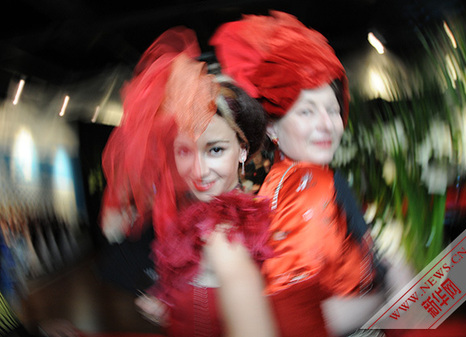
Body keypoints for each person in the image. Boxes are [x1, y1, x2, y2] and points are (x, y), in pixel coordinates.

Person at [211, 11, 386, 337]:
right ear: (273, 127)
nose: (326, 123)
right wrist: (386, 295)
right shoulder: (314, 184)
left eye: (332, 110)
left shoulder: (276, 182)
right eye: (307, 111)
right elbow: (297, 317)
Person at [100, 27, 276, 337]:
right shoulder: (199, 217)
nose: (198, 170)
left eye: (215, 149)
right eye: (185, 150)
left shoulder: (224, 233)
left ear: (242, 150)